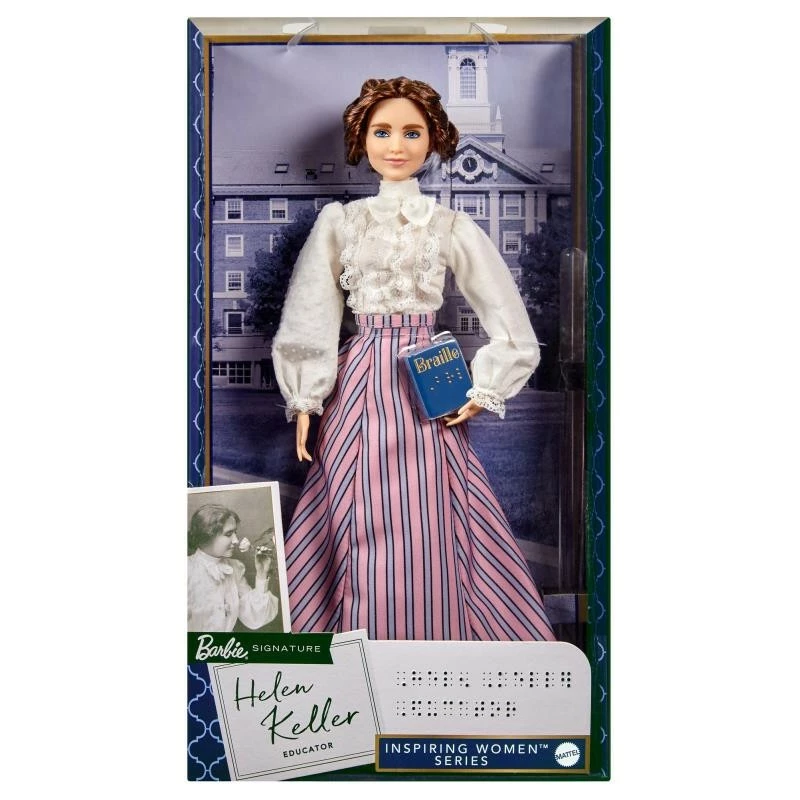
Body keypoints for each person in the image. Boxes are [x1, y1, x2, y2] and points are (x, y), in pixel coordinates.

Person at [272, 77, 555, 642]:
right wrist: (305, 396)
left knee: (434, 503)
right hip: (359, 380)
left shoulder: (449, 225)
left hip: (428, 378)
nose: (396, 145)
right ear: (362, 139)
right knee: (349, 499)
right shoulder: (342, 222)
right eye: (382, 132)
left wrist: (486, 387)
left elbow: (505, 314)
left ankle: (437, 631)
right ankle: (350, 639)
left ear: (433, 140)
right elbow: (311, 311)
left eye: (411, 132)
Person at [187, 504, 279, 632]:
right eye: (229, 533)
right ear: (207, 535)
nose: (236, 540)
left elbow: (253, 618)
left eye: (235, 533)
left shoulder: (234, 568)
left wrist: (262, 574)